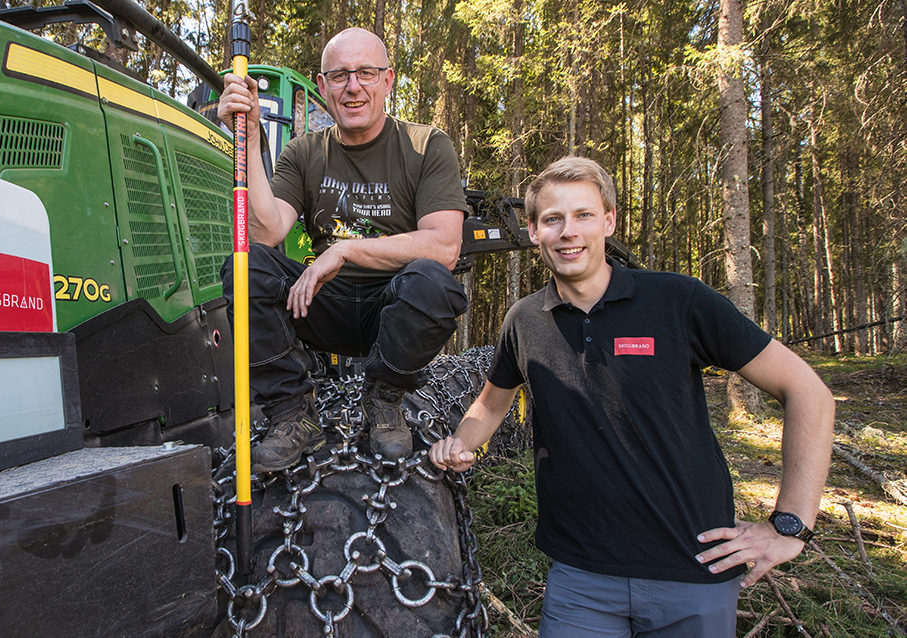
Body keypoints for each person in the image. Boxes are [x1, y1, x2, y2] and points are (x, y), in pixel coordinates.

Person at [429, 156, 835, 637]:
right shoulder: (525, 320)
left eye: (583, 215)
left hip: (693, 570)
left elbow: (808, 390)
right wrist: (462, 444)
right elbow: (491, 403)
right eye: (553, 219)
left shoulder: (678, 301)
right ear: (534, 231)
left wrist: (789, 524)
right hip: (580, 579)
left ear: (609, 221)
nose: (568, 232)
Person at [218, 27, 469, 472]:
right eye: (339, 76)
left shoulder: (427, 145)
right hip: (322, 303)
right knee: (245, 267)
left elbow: (445, 245)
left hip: (393, 307)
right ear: (322, 86)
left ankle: (386, 398)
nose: (353, 87)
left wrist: (345, 250)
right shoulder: (304, 151)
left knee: (434, 282)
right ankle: (293, 412)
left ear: (388, 80)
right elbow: (265, 233)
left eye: (366, 73)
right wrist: (251, 136)